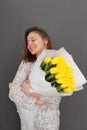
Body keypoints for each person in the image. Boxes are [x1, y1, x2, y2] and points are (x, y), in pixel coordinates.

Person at [8, 26, 75, 130]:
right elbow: (13, 92)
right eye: (27, 42)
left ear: (45, 40)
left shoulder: (57, 60)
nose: (29, 44)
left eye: (33, 40)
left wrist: (28, 90)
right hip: (28, 120)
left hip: (49, 121)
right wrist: (32, 100)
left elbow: (57, 94)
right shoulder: (27, 63)